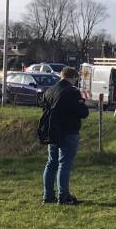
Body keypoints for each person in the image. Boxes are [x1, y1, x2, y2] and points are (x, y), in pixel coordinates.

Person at [40, 67, 89, 205]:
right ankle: (63, 196)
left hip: (52, 131)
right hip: (68, 131)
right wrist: (82, 104)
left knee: (51, 163)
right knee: (64, 164)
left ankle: (48, 195)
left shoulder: (49, 91)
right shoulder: (72, 92)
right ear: (72, 77)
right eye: (75, 79)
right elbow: (83, 113)